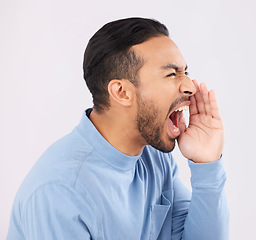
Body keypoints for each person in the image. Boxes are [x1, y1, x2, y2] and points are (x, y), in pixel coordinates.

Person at [7, 17, 229, 240]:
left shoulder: (153, 157)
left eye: (185, 73)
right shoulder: (60, 191)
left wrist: (207, 165)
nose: (190, 86)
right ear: (121, 92)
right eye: (172, 74)